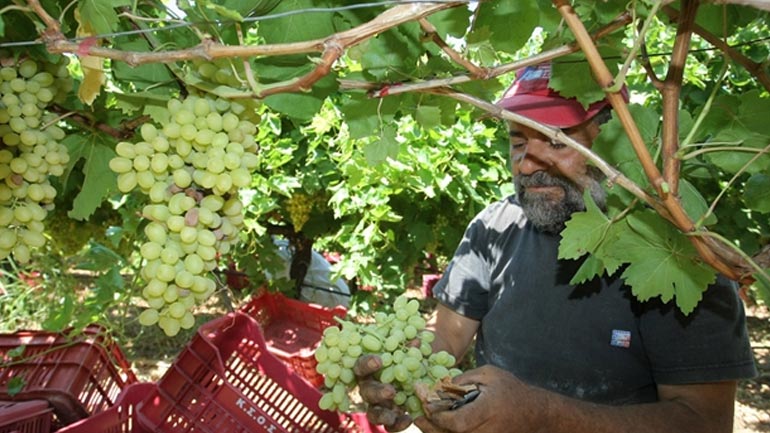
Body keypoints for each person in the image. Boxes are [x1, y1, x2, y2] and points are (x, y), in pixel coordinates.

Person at [355, 63, 757, 433]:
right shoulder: (493, 228)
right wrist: (399, 374)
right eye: (517, 142)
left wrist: (541, 416)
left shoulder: (681, 258)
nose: (526, 165)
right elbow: (445, 340)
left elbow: (704, 422)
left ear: (614, 141)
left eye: (555, 140)